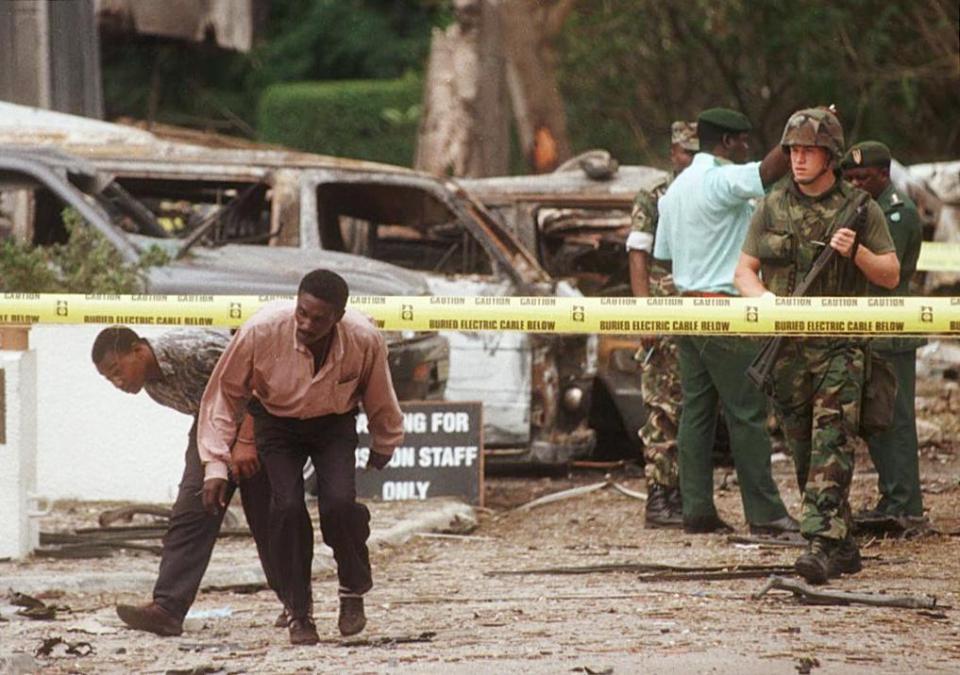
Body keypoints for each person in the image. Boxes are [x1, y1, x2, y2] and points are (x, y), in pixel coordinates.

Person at [735, 108, 900, 584]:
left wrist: (856, 252)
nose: (799, 159)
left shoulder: (859, 208)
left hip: (839, 349)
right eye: (793, 151)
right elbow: (744, 271)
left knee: (833, 442)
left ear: (830, 156)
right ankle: (841, 540)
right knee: (804, 449)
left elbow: (888, 275)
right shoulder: (771, 205)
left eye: (808, 150)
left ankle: (821, 544)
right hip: (785, 351)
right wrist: (764, 303)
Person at [198, 269, 404, 645]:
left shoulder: (363, 337)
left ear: (339, 317)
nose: (307, 324)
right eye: (302, 312)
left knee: (341, 505)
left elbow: (379, 391)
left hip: (333, 424)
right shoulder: (261, 330)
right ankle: (299, 610)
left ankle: (352, 590)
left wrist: (385, 441)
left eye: (319, 318)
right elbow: (223, 396)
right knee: (287, 509)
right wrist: (215, 463)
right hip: (277, 425)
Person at [653, 107, 797, 535]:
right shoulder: (719, 179)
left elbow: (664, 254)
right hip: (724, 310)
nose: (747, 146)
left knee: (696, 413)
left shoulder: (676, 189)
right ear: (727, 142)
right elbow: (768, 171)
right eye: (743, 140)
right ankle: (766, 514)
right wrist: (799, 130)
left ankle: (696, 509)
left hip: (687, 308)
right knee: (746, 413)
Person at [91, 326, 285, 636]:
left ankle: (297, 605)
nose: (117, 382)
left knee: (269, 517)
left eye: (117, 370)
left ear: (138, 350)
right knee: (192, 509)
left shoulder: (194, 352)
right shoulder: (153, 387)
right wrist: (214, 463)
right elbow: (207, 414)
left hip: (261, 419)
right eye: (108, 379)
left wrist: (246, 441)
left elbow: (263, 381)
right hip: (214, 428)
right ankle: (167, 609)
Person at [841, 141, 925, 524]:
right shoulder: (862, 210)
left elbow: (889, 277)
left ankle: (905, 504)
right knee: (875, 420)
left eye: (864, 177)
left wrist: (855, 249)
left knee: (897, 419)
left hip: (891, 330)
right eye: (851, 178)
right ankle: (891, 498)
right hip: (865, 330)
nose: (856, 184)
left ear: (884, 175)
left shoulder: (898, 213)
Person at [627, 120, 698, 528]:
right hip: (664, 305)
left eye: (695, 152)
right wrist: (645, 310)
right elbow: (638, 253)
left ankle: (686, 493)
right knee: (661, 405)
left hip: (701, 306)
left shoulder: (711, 189)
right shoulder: (656, 194)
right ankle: (659, 494)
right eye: (684, 152)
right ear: (673, 153)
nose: (689, 160)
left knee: (693, 406)